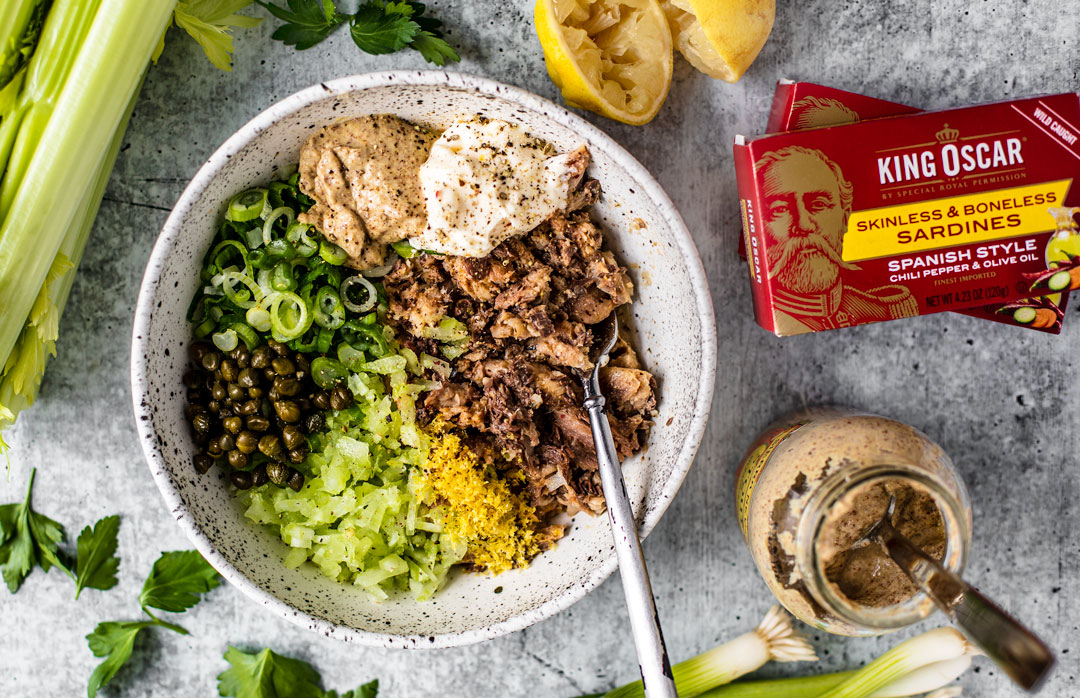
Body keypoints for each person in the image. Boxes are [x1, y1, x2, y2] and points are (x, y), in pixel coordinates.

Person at [756, 146, 917, 334]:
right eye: (779, 210)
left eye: (818, 205)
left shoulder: (882, 308)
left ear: (845, 218)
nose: (804, 225)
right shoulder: (772, 321)